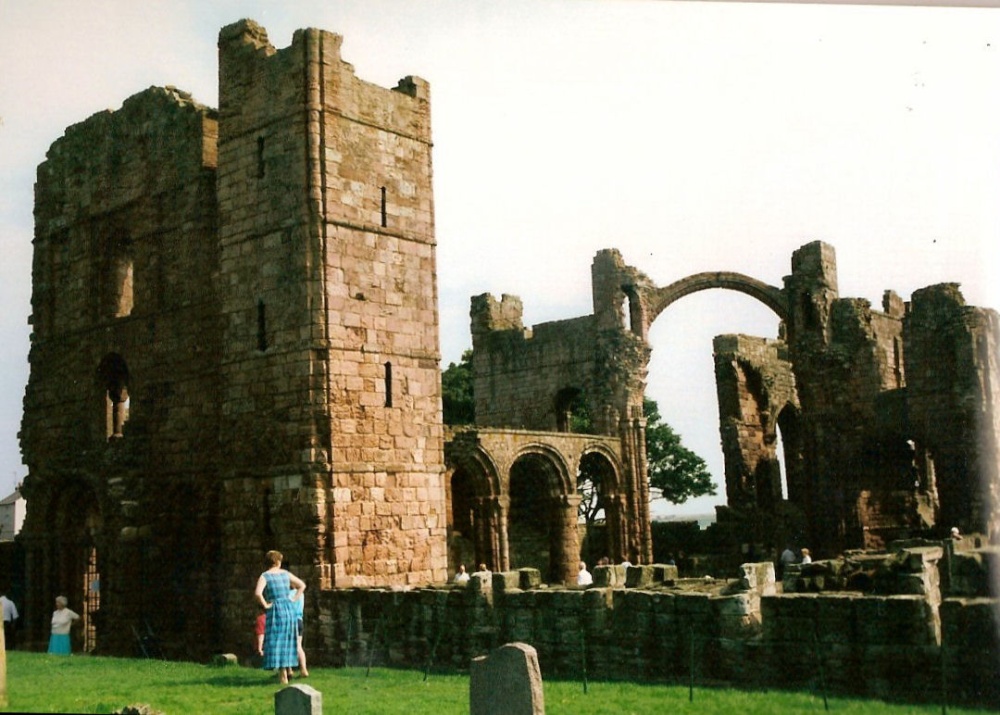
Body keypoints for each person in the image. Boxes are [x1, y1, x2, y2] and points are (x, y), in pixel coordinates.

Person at [254, 550, 306, 685]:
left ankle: (283, 673)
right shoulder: (285, 574)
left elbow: (258, 593)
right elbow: (302, 585)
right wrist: (293, 599)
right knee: (288, 640)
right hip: (289, 610)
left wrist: (265, 605)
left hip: (275, 608)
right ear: (277, 561)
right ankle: (287, 670)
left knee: (276, 640)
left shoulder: (265, 576)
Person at [291, 588, 309, 678]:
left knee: (288, 646)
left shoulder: (289, 593)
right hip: (299, 620)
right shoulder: (301, 593)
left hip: (291, 621)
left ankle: (289, 670)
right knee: (298, 646)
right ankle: (303, 669)